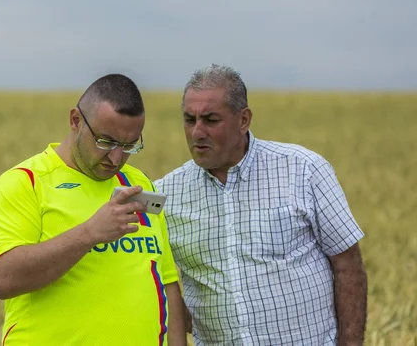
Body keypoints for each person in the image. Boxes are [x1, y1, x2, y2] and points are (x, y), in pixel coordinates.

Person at [154, 64, 367, 346]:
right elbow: (155, 285)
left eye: (210, 120)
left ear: (244, 120)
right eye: (189, 120)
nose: (197, 132)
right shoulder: (165, 193)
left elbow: (347, 265)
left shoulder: (304, 170)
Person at [0, 74, 187, 346]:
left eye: (128, 146)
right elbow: (2, 278)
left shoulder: (137, 184)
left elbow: (166, 283)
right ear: (76, 120)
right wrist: (89, 234)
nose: (116, 158)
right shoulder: (25, 183)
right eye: (106, 141)